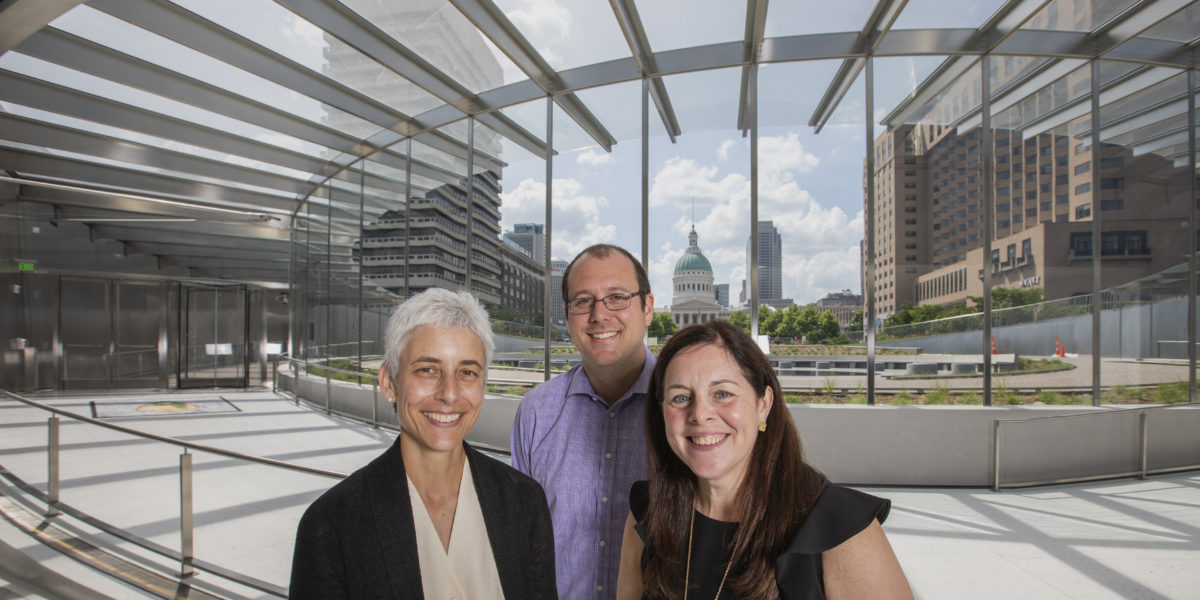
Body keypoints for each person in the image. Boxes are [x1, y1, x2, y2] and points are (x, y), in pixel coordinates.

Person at [289, 288, 556, 599]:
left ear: (483, 386)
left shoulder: (524, 501)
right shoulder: (332, 525)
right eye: (427, 370)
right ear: (389, 382)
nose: (450, 393)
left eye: (467, 372)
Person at [617, 321, 911, 600]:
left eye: (722, 393)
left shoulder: (841, 528)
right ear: (661, 412)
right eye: (680, 397)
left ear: (764, 404)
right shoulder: (647, 511)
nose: (700, 414)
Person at [511, 244, 656, 599]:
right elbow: (521, 542)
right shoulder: (534, 412)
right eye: (583, 301)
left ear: (647, 307)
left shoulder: (688, 411)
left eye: (617, 297)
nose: (599, 315)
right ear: (567, 313)